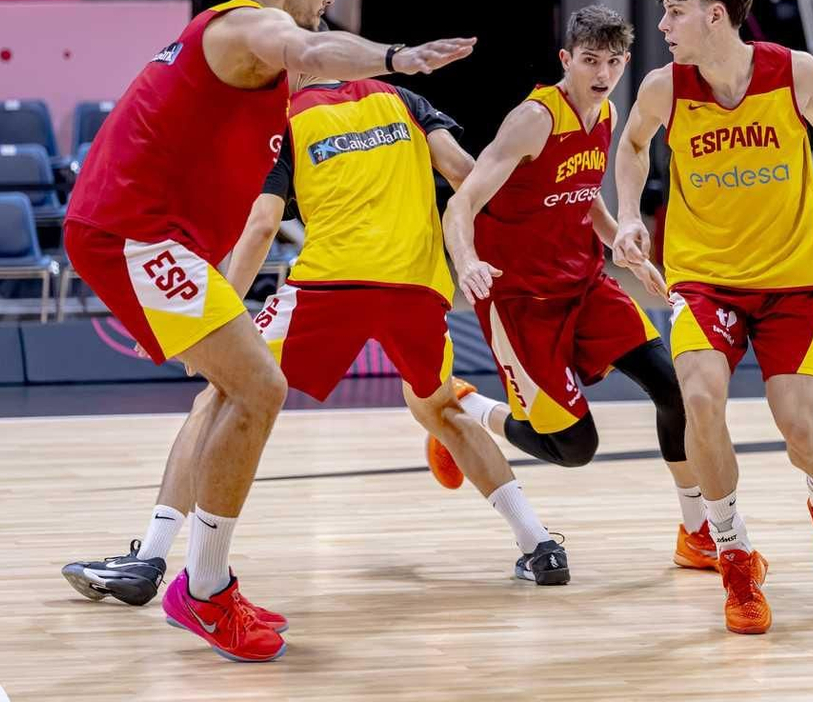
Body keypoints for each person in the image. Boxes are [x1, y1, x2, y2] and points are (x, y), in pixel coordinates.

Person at [60, 0, 474, 663]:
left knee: (236, 388)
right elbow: (315, 50)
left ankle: (177, 566)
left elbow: (249, 176)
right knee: (260, 388)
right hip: (130, 231)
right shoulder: (250, 26)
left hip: (158, 238)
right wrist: (398, 57)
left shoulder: (265, 76)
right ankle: (203, 588)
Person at [62, 73, 571, 617]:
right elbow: (466, 176)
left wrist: (210, 321)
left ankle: (152, 558)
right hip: (417, 286)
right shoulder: (402, 99)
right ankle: (539, 546)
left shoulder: (285, 117)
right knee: (441, 407)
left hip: (331, 285)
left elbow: (261, 226)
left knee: (220, 395)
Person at [611, 0, 813, 636]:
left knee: (800, 428)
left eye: (675, 11)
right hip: (703, 278)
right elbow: (631, 147)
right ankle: (734, 555)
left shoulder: (791, 70)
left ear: (715, 14)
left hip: (787, 280)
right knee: (698, 398)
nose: (662, 23)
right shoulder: (665, 86)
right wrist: (629, 214)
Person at [438, 5, 727, 573]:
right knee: (575, 449)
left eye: (615, 61)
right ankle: (472, 408)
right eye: (590, 60)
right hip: (520, 300)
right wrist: (467, 261)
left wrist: (622, 242)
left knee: (674, 388)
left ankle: (696, 534)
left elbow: (582, 191)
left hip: (586, 283)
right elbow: (462, 202)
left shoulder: (608, 111)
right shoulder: (534, 119)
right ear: (566, 60)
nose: (602, 72)